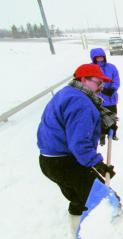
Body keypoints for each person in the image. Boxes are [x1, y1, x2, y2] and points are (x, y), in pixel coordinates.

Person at [37, 64, 117, 218]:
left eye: (103, 83)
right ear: (83, 80)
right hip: (65, 163)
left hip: (48, 161)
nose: (101, 87)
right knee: (108, 204)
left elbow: (70, 127)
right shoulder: (81, 102)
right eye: (98, 82)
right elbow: (79, 143)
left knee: (80, 201)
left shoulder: (67, 93)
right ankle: (112, 237)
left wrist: (102, 127)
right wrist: (98, 164)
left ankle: (76, 237)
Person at [90, 47, 120, 142]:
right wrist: (99, 89)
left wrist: (112, 89)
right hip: (97, 99)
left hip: (111, 98)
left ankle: (113, 133)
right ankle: (102, 134)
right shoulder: (90, 68)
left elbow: (116, 80)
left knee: (112, 117)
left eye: (101, 57)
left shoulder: (111, 67)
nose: (100, 59)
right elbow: (87, 81)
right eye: (97, 57)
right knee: (99, 118)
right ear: (93, 58)